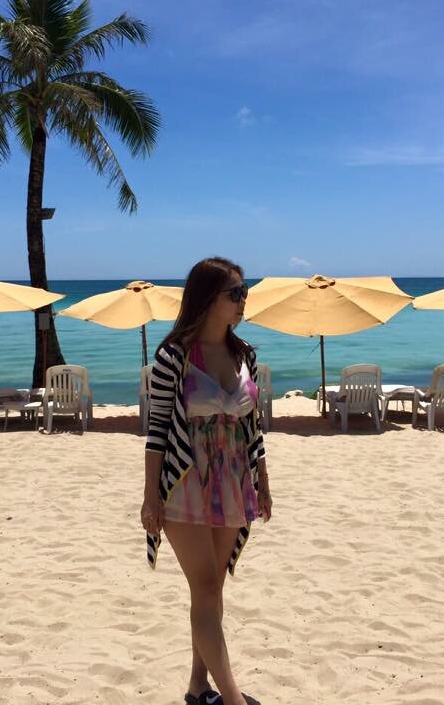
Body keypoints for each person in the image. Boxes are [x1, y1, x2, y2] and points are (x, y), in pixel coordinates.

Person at [141, 257, 271, 705]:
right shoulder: (173, 357)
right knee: (206, 588)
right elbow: (157, 431)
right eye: (235, 293)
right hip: (185, 483)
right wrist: (150, 498)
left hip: (233, 481)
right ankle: (233, 699)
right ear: (207, 298)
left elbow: (253, 427)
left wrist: (263, 480)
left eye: (244, 291)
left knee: (213, 588)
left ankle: (199, 686)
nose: (243, 299)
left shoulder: (244, 353)